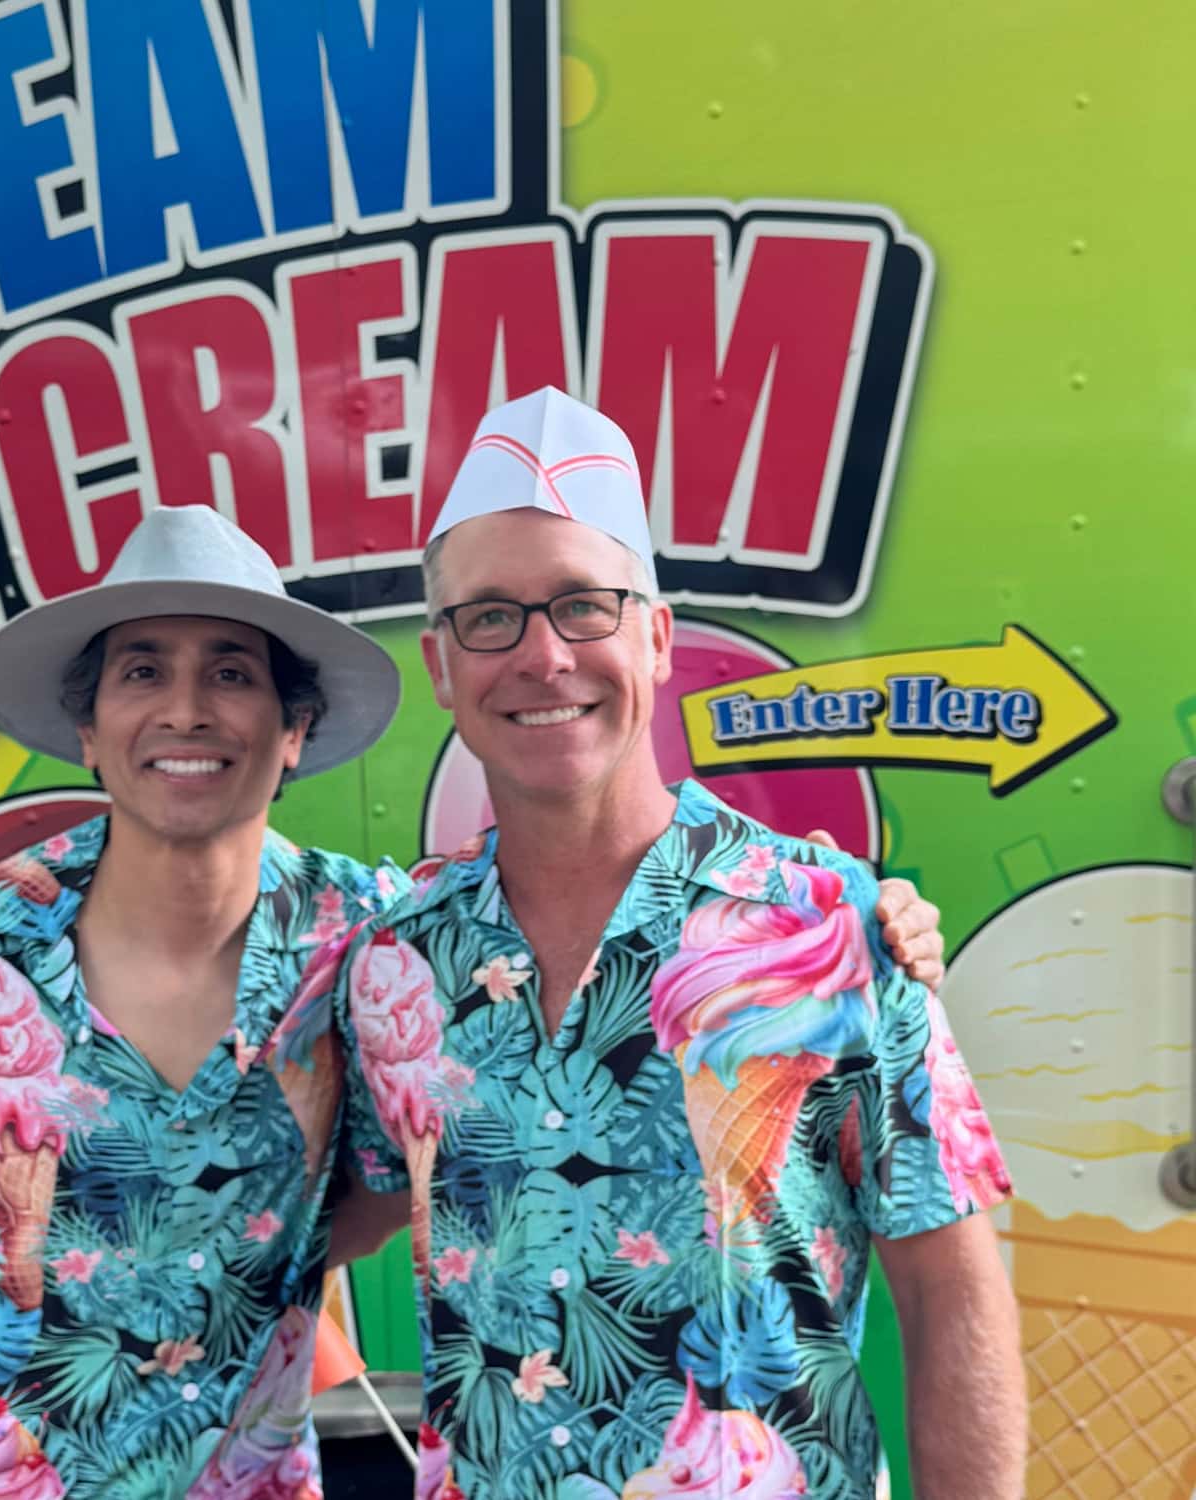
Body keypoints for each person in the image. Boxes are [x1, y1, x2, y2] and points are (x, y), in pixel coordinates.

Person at [0, 500, 948, 1499]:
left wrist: (868, 914)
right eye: (142, 672)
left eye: (231, 673)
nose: (185, 710)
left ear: (293, 730)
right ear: (88, 723)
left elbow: (415, 1159)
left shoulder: (375, 944)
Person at [331, 389, 1022, 1499]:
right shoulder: (394, 963)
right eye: (489, 617)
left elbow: (949, 1288)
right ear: (439, 665)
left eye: (582, 607)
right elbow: (342, 1203)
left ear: (653, 638)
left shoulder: (822, 920)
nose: (542, 655)